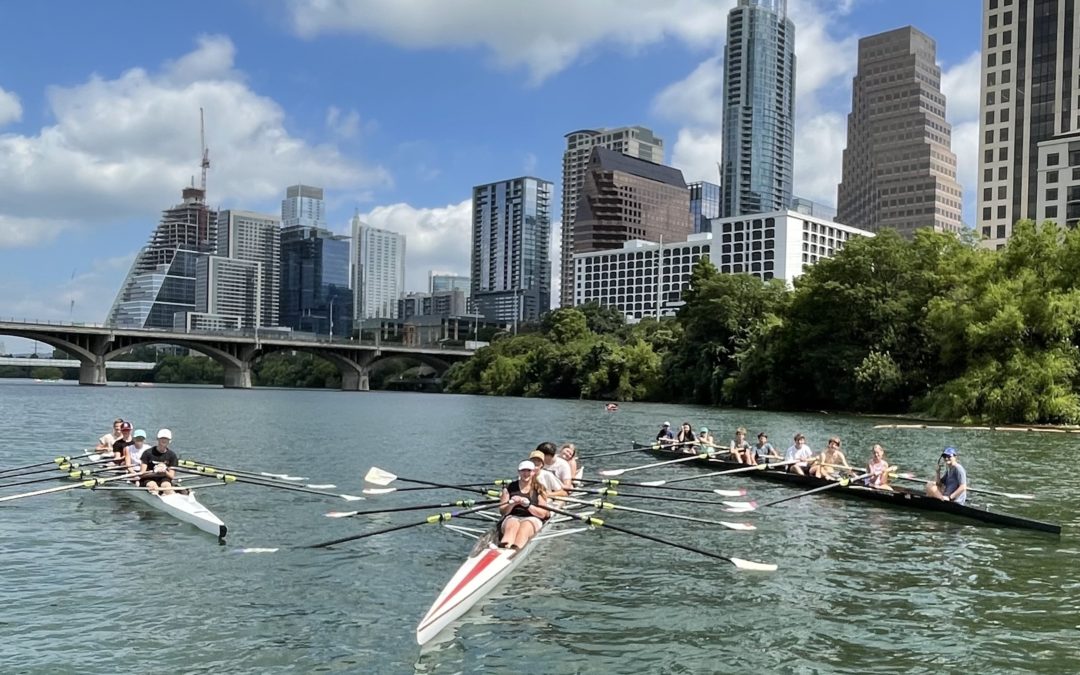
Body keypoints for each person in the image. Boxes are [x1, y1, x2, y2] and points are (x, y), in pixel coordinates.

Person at [498, 461, 549, 550]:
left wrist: (528, 505)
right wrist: (511, 504)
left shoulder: (539, 489)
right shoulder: (509, 487)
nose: (526, 474)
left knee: (525, 526)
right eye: (523, 471)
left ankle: (516, 549)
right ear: (519, 472)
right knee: (512, 524)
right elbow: (502, 511)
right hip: (512, 517)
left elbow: (543, 514)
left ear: (533, 472)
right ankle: (504, 547)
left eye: (528, 471)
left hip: (533, 518)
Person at [138, 429, 179, 496]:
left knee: (167, 486)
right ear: (158, 439)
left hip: (164, 479)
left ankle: (170, 496)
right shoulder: (147, 453)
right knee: (153, 486)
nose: (164, 440)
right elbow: (142, 474)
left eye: (166, 438)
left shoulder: (172, 455)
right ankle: (156, 495)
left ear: (170, 441)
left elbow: (171, 476)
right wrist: (155, 472)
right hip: (148, 479)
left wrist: (165, 472)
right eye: (162, 438)